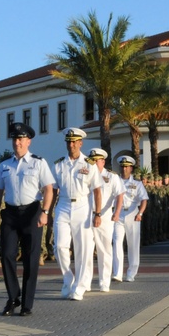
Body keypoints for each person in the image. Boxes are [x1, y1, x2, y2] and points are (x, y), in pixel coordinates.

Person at [0, 122, 54, 317]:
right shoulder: (4, 165)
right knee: (7, 255)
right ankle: (13, 297)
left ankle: (27, 303)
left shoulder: (38, 162)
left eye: (21, 139)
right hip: (10, 213)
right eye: (15, 139)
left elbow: (49, 189)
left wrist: (45, 212)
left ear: (29, 141)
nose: (17, 142)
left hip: (32, 212)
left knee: (31, 258)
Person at [52, 127, 102, 300]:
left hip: (82, 205)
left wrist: (98, 213)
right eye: (69, 141)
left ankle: (80, 287)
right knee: (59, 246)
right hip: (63, 205)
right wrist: (47, 212)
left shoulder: (89, 164)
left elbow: (97, 191)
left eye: (74, 141)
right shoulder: (58, 164)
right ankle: (68, 279)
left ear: (81, 143)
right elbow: (53, 190)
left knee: (83, 250)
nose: (71, 144)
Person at [88, 148, 123, 292]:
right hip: (87, 215)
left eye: (97, 160)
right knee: (86, 250)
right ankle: (86, 282)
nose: (95, 163)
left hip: (104, 216)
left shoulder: (111, 176)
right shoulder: (85, 173)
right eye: (93, 160)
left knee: (104, 249)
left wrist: (117, 213)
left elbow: (119, 195)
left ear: (103, 161)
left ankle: (104, 282)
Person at [112, 155, 148, 281]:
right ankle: (117, 273)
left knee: (133, 245)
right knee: (116, 242)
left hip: (133, 214)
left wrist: (140, 213)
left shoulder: (137, 183)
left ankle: (131, 273)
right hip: (118, 213)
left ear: (131, 168)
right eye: (122, 166)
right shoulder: (115, 181)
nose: (124, 169)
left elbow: (144, 199)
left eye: (126, 166)